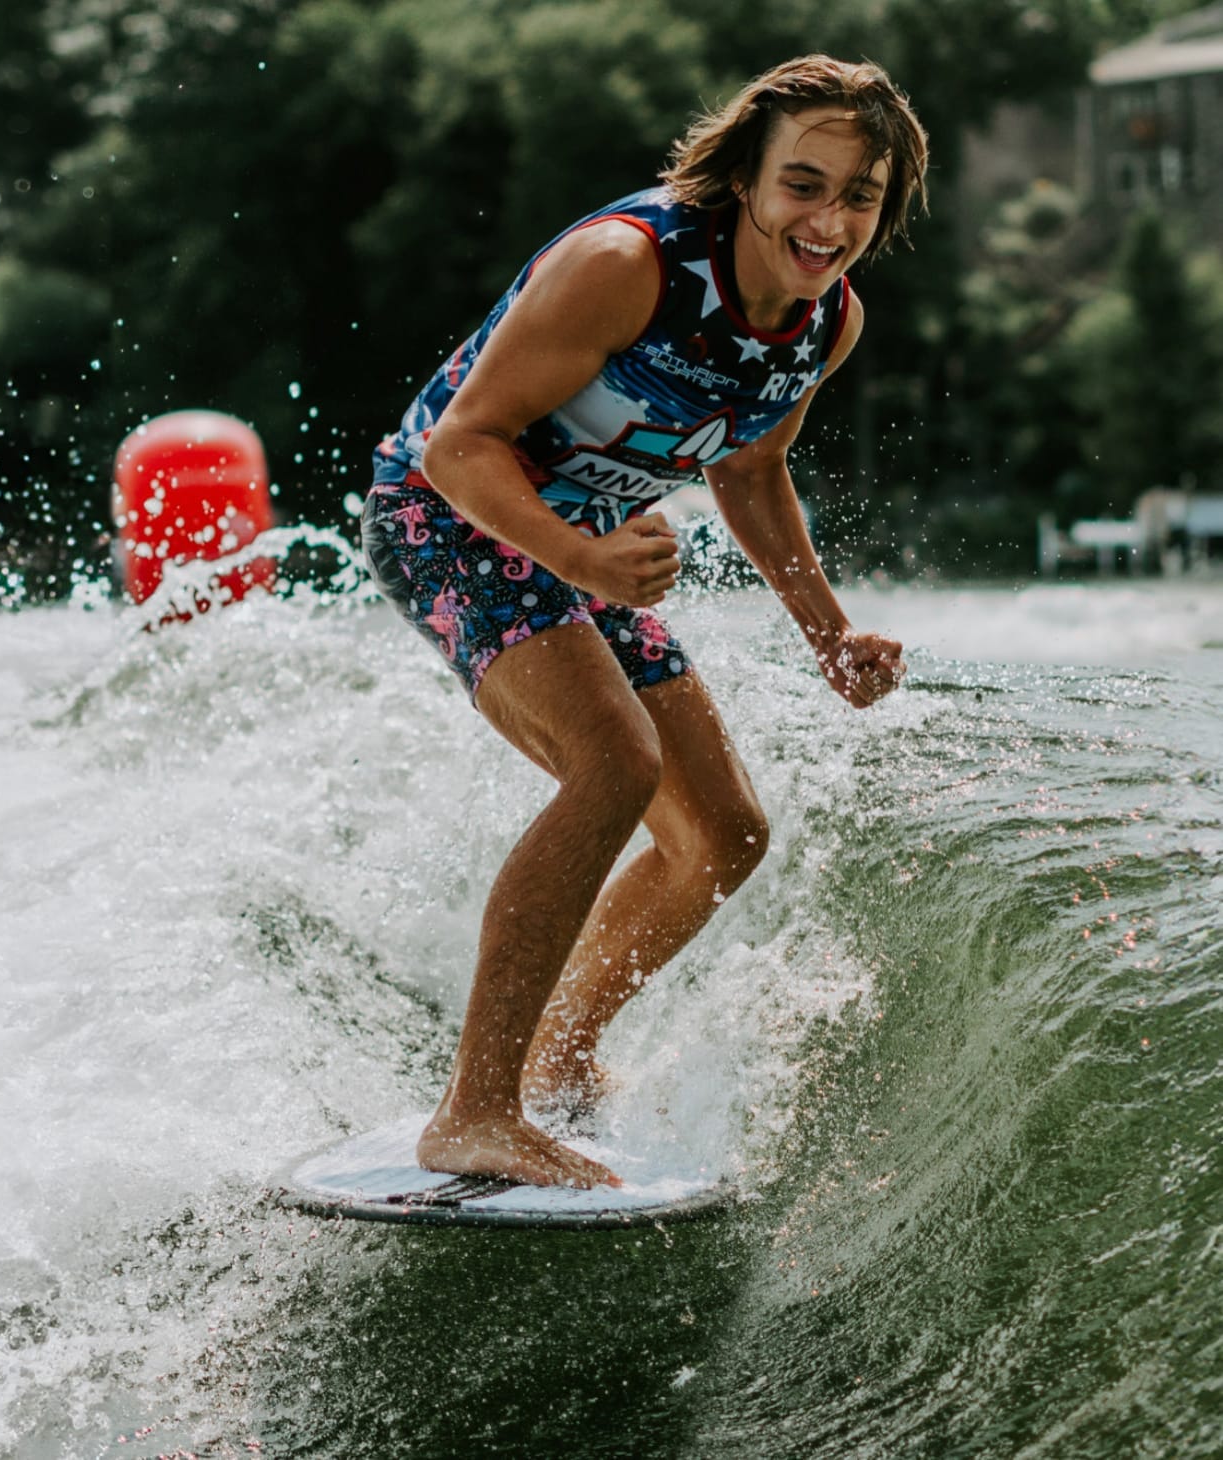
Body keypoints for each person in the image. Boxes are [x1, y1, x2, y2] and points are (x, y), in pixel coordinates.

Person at [361, 54, 929, 1188]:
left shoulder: (824, 321)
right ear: (747, 179)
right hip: (449, 520)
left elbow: (753, 468)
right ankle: (474, 1108)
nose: (825, 220)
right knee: (612, 764)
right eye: (802, 184)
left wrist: (827, 631)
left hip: (584, 558)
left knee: (722, 831)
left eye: (857, 197)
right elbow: (456, 445)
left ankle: (560, 1063)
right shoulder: (625, 267)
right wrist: (584, 557)